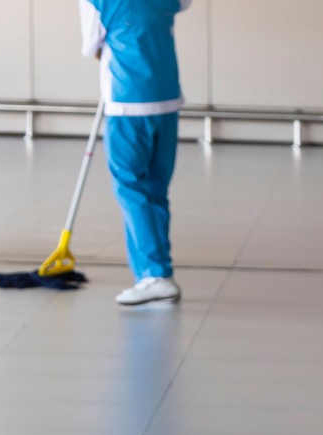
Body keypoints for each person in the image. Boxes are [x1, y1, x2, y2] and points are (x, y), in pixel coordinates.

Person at [80, 0, 192, 307]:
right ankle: (158, 271)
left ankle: (154, 277)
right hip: (167, 99)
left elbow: (93, 46)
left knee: (131, 188)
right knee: (155, 189)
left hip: (127, 101)